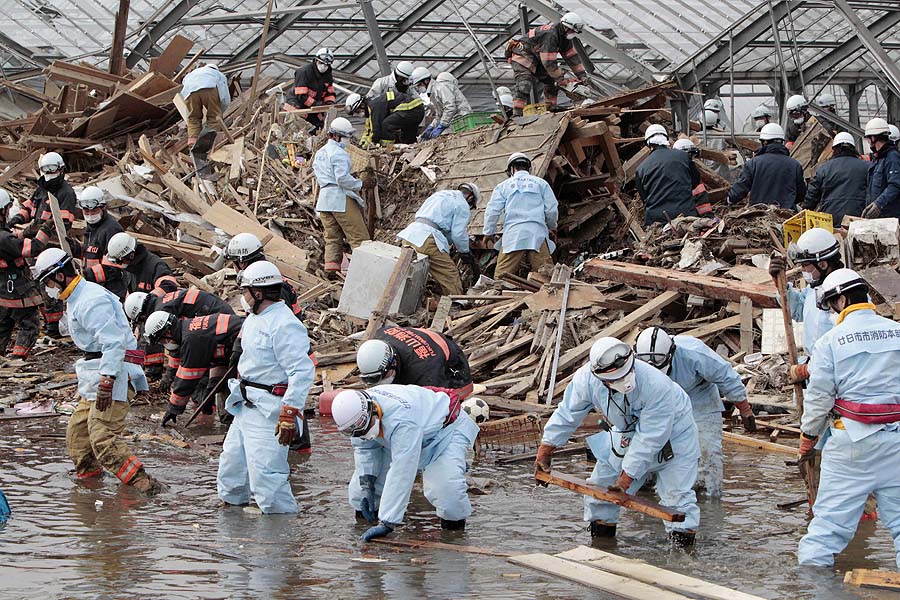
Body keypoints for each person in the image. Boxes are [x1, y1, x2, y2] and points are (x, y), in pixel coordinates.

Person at [535, 337, 700, 547]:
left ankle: (683, 556)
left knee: (677, 499)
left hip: (676, 437)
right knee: (600, 491)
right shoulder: (586, 379)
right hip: (625, 432)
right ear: (600, 377)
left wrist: (625, 480)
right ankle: (603, 547)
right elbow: (568, 414)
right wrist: (546, 449)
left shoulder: (657, 385)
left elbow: (649, 438)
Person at [32, 247, 159, 494]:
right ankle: (91, 487)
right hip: (95, 373)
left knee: (102, 437)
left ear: (59, 276)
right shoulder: (76, 298)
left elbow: (113, 343)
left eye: (48, 282)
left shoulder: (90, 300)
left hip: (114, 372)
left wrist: (107, 381)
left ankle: (144, 486)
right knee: (78, 435)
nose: (48, 288)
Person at [796, 269, 900, 569]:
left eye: (830, 305)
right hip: (895, 442)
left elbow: (819, 398)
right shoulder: (895, 331)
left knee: (824, 533)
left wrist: (808, 437)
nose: (830, 312)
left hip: (852, 445)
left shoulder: (830, 341)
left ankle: (813, 588)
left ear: (840, 300)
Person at [217, 261, 315, 514]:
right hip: (246, 404)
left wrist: (290, 411)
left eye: (245, 291)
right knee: (231, 470)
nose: (243, 296)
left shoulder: (284, 324)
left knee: (267, 479)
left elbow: (302, 371)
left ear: (258, 293)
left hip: (270, 410)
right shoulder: (255, 317)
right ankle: (232, 530)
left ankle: (280, 538)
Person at [331, 385, 479, 540]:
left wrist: (387, 522)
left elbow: (403, 470)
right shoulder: (356, 417)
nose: (360, 431)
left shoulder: (402, 419)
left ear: (372, 409)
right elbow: (365, 450)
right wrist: (367, 484)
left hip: (443, 434)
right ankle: (364, 532)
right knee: (358, 493)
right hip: (397, 438)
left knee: (447, 492)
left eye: (363, 426)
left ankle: (454, 540)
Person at [635, 327, 753, 497]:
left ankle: (708, 501)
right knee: (645, 453)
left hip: (698, 399)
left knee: (706, 452)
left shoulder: (693, 351)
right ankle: (646, 498)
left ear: (671, 353)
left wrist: (745, 410)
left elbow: (726, 376)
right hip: (657, 402)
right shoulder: (633, 361)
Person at [10, 152, 77, 338]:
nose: (49, 175)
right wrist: (17, 218)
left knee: (50, 285)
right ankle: (46, 321)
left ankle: (54, 327)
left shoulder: (66, 193)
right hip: (37, 242)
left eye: (52, 170)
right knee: (36, 283)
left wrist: (27, 231)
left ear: (62, 170)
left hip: (53, 246)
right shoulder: (42, 187)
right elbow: (30, 207)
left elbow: (62, 223)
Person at [146, 310, 243, 426]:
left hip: (246, 348)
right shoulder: (189, 328)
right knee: (225, 405)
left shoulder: (192, 339)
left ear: (168, 331)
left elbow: (186, 379)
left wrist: (173, 409)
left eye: (162, 340)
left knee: (233, 406)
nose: (164, 344)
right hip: (238, 347)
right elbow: (218, 358)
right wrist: (211, 388)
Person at [482, 153, 557, 279]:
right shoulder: (541, 183)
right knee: (547, 278)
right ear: (528, 167)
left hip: (513, 235)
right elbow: (551, 210)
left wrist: (488, 232)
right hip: (537, 235)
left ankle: (496, 297)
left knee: (501, 279)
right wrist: (552, 226)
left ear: (511, 169)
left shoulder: (503, 186)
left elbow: (492, 211)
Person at [312, 117, 370, 276]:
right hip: (339, 199)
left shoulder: (320, 153)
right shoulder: (339, 153)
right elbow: (342, 179)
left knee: (332, 237)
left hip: (324, 200)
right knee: (359, 238)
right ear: (336, 136)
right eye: (346, 137)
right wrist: (360, 184)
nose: (348, 140)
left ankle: (331, 270)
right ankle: (365, 273)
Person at [396, 184, 479, 295]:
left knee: (409, 271)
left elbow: (440, 225)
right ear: (471, 198)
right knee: (450, 275)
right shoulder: (462, 204)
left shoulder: (440, 194)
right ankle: (454, 305)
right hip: (427, 239)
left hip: (410, 235)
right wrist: (464, 252)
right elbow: (458, 234)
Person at [356, 325, 473, 398]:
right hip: (420, 345)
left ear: (393, 363)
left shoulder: (426, 372)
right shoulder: (381, 334)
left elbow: (439, 405)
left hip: (448, 355)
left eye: (381, 377)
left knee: (455, 395)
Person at [506, 12, 586, 116]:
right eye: (572, 31)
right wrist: (561, 79)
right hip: (523, 55)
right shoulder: (551, 34)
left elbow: (572, 58)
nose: (573, 33)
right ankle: (517, 114)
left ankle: (551, 109)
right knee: (524, 84)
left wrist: (582, 76)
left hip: (537, 59)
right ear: (566, 27)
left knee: (552, 82)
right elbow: (548, 62)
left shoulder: (564, 37)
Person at [0, 189, 45, 359]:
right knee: (30, 324)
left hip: (1, 289)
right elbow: (33, 248)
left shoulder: (5, 237)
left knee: (3, 325)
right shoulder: (4, 238)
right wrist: (45, 230)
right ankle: (17, 359)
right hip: (15, 288)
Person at [635, 124, 709, 225]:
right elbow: (695, 182)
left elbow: (644, 198)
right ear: (666, 139)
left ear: (648, 144)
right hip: (686, 216)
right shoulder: (683, 156)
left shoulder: (641, 168)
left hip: (656, 221)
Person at [727, 123, 805, 209]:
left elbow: (740, 189)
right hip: (787, 215)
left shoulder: (753, 163)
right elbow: (801, 194)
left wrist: (730, 199)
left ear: (764, 142)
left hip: (759, 214)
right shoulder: (795, 165)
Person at [802, 132, 868, 227]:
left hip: (830, 220)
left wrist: (805, 211)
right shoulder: (866, 167)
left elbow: (812, 197)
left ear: (834, 149)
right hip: (858, 219)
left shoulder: (824, 169)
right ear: (853, 149)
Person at [105, 232, 178, 296]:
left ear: (131, 256)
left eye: (119, 261)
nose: (119, 264)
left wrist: (148, 300)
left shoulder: (156, 265)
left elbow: (169, 286)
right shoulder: (131, 268)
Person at [283, 48, 336, 131]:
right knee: (298, 126)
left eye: (326, 65)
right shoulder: (304, 72)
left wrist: (329, 104)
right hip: (296, 104)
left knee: (319, 126)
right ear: (316, 60)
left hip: (313, 106)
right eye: (321, 63)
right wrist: (317, 104)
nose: (323, 66)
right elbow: (301, 95)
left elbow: (330, 92)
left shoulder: (328, 74)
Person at [72, 186, 123, 269]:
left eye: (94, 210)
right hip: (92, 280)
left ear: (103, 207)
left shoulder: (112, 230)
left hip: (105, 281)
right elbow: (91, 254)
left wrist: (89, 275)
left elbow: (113, 268)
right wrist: (76, 249)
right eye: (86, 210)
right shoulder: (90, 227)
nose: (90, 214)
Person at [180, 63, 231, 145]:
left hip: (190, 91)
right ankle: (208, 143)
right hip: (209, 88)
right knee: (213, 117)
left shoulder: (193, 73)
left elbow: (184, 88)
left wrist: (189, 113)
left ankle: (192, 141)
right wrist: (221, 110)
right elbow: (224, 95)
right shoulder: (218, 74)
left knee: (193, 118)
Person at [861, 117, 900, 219]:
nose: (869, 143)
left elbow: (895, 185)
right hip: (880, 218)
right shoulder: (878, 159)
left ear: (873, 138)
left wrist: (878, 204)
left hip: (889, 218)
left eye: (868, 139)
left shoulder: (892, 157)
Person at [422, 73, 472, 140]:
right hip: (455, 120)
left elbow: (450, 108)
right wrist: (432, 126)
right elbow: (440, 114)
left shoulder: (442, 88)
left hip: (461, 118)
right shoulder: (435, 92)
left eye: (420, 85)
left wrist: (442, 125)